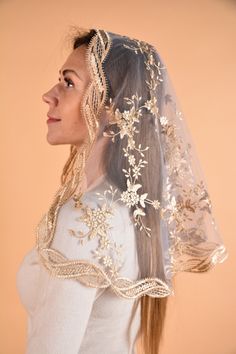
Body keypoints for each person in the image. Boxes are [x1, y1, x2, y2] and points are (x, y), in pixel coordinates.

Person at [16, 27, 228, 354]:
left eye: (68, 82)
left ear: (111, 107)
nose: (49, 94)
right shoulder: (131, 209)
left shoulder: (84, 219)